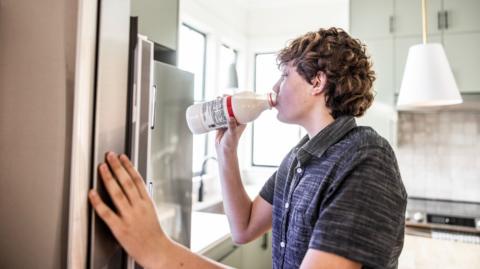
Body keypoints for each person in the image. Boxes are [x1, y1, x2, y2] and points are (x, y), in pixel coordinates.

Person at [89, 27, 407, 269]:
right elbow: (243, 227)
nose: (274, 88)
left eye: (284, 75)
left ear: (317, 82)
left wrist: (160, 250)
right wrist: (227, 152)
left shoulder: (365, 158)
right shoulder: (300, 158)